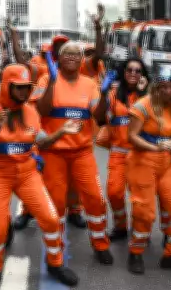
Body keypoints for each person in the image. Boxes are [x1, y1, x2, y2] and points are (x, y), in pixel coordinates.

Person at [0, 64, 80, 290]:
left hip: (26, 173)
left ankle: (55, 264)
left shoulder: (31, 112)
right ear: (7, 87)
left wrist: (62, 131)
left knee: (51, 219)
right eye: (19, 88)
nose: (24, 93)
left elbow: (40, 141)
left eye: (27, 88)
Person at [32, 41, 113, 265]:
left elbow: (99, 117)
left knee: (96, 198)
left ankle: (100, 243)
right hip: (53, 152)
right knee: (56, 204)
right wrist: (52, 82)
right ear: (58, 58)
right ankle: (55, 250)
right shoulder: (45, 79)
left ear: (81, 60)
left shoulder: (89, 84)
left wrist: (105, 95)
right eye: (65, 54)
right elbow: (41, 111)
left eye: (75, 54)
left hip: (82, 152)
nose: (71, 57)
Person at [125, 65, 171, 274]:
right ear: (155, 86)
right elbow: (132, 137)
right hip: (141, 165)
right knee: (145, 214)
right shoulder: (142, 106)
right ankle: (135, 253)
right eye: (163, 87)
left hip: (164, 166)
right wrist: (156, 146)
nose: (168, 91)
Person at [93, 58, 147, 240]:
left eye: (138, 70)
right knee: (114, 193)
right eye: (129, 70)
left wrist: (142, 93)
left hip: (141, 155)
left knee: (139, 198)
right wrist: (102, 93)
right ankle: (121, 226)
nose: (133, 73)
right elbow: (99, 118)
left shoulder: (149, 95)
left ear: (143, 75)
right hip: (118, 153)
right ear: (124, 73)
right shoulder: (113, 95)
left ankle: (140, 231)